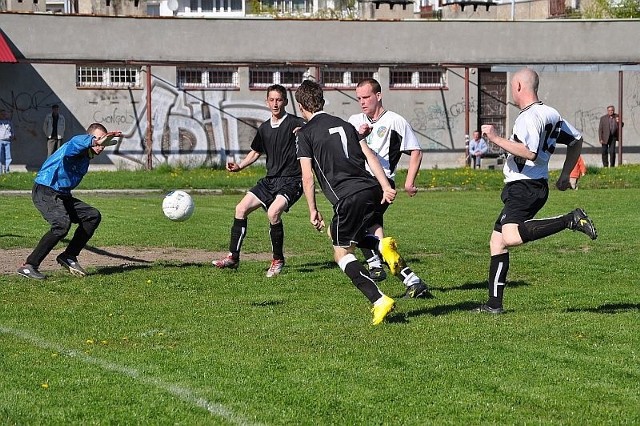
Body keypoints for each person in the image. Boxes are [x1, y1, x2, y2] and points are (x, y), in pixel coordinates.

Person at [295, 79, 421, 325]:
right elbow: (369, 155)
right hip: (371, 188)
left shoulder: (306, 134)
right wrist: (385, 186)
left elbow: (307, 176)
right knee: (340, 232)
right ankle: (381, 247)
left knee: (341, 253)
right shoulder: (345, 124)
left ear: (302, 107)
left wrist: (312, 209)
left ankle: (378, 300)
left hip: (348, 197)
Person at [476, 68, 598, 314]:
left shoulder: (528, 117)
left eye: (512, 86)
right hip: (532, 185)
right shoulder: (550, 113)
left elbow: (529, 152)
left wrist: (495, 138)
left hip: (525, 186)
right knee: (497, 242)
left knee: (509, 237)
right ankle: (494, 305)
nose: (512, 90)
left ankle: (570, 220)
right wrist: (565, 174)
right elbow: (576, 139)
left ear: (519, 86)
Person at [347, 78, 431, 299]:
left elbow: (416, 151)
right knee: (375, 235)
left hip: (380, 185)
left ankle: (375, 264)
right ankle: (412, 281)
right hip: (358, 183)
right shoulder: (355, 120)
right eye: (359, 98)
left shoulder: (395, 121)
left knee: (351, 228)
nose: (362, 102)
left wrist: (409, 182)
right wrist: (359, 136)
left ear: (378, 95)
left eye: (366, 97)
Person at [213, 84, 305, 278]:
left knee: (273, 213)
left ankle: (278, 260)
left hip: (291, 180)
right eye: (271, 100)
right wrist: (240, 166)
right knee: (240, 209)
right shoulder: (264, 128)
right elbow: (256, 151)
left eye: (279, 100)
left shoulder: (296, 123)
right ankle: (233, 257)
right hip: (270, 180)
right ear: (267, 102)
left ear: (286, 102)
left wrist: (305, 132)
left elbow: (315, 131)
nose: (275, 104)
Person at [17, 123, 121, 280]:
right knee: (61, 224)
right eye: (99, 139)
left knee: (92, 215)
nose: (102, 145)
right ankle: (29, 266)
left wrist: (97, 143)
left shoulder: (86, 157)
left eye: (104, 142)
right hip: (45, 189)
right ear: (90, 138)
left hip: (61, 194)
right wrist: (95, 141)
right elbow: (75, 142)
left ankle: (69, 256)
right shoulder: (74, 147)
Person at [0, 109, 15, 174]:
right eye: (2, 114)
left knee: (8, 157)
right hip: (0, 140)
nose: (4, 115)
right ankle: (0, 171)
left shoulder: (9, 122)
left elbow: (12, 130)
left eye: (5, 114)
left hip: (7, 141)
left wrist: (12, 135)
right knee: (0, 156)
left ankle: (7, 171)